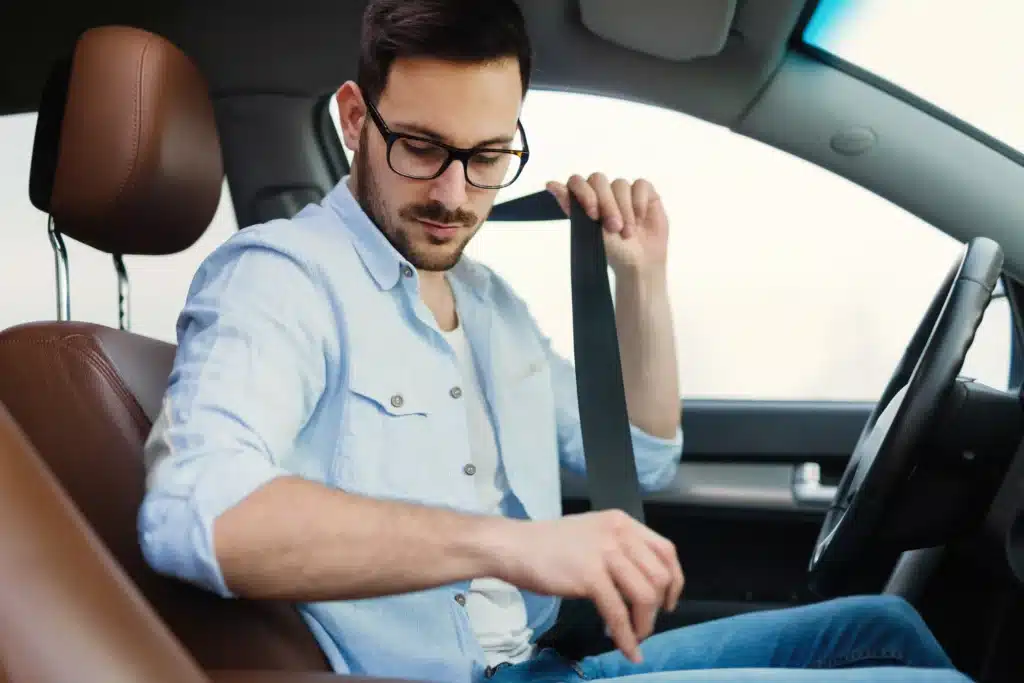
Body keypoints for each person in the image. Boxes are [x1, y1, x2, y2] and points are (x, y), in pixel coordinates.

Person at [137, 1, 972, 682]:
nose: (455, 193)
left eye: (489, 155)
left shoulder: (491, 305)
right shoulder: (279, 278)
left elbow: (643, 459)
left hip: (541, 665)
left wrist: (639, 280)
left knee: (885, 625)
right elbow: (197, 511)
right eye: (422, 148)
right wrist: (516, 543)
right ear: (356, 119)